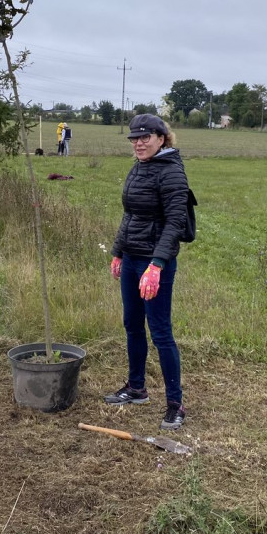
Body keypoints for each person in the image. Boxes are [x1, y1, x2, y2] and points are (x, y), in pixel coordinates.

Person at [106, 114, 190, 430]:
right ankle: (137, 387)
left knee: (160, 331)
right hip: (131, 258)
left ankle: (175, 403)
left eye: (145, 138)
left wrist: (156, 265)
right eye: (134, 139)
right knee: (132, 324)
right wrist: (117, 252)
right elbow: (130, 215)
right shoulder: (140, 167)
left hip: (154, 263)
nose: (138, 143)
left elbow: (175, 224)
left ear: (161, 138)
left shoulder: (172, 172)